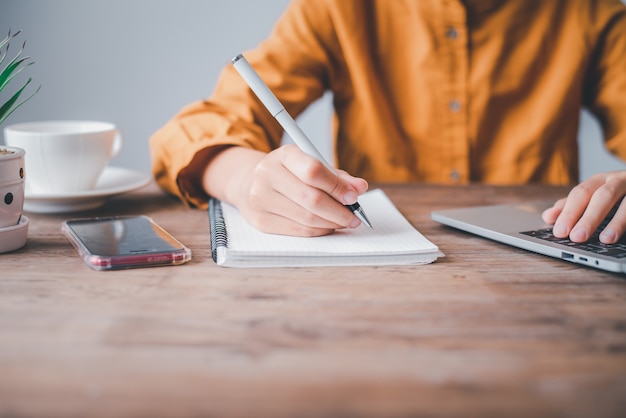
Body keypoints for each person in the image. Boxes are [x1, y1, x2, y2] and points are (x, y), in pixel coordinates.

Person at [150, 0, 626, 241]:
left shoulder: (591, 14)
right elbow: (200, 125)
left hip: (544, 274)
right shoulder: (338, 9)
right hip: (376, 278)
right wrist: (245, 178)